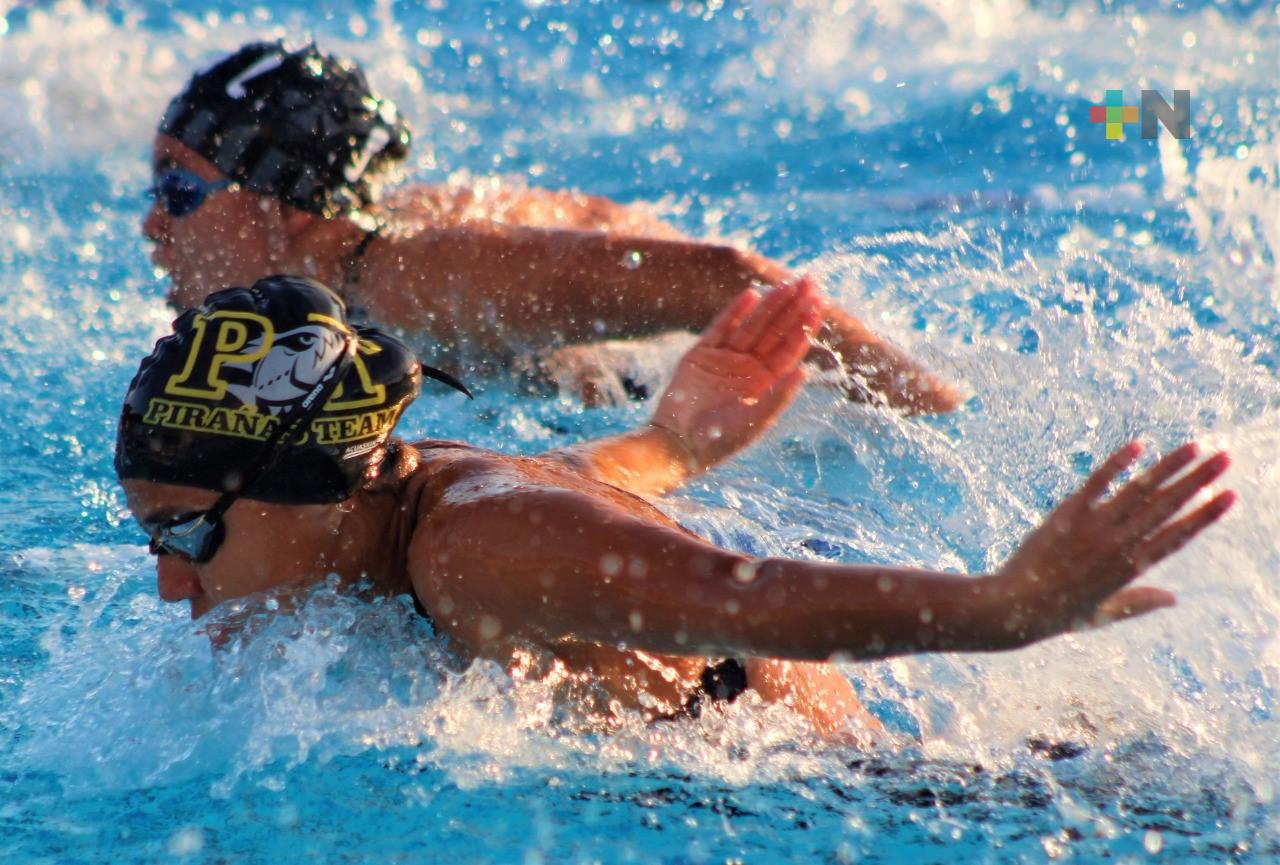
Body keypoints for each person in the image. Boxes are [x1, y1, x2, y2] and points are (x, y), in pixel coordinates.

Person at [116, 274, 1235, 738]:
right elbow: (587, 499)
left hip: (866, 794)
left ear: (312, 491)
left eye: (187, 532)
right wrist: (670, 442)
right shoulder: (424, 494)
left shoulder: (468, 550)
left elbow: (729, 594)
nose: (172, 578)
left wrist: (1005, 607)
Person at [143, 40, 962, 414]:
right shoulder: (339, 272)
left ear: (283, 207)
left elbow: (728, 275)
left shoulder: (412, 278)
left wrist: (931, 407)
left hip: (712, 369)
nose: (152, 225)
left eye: (178, 190)